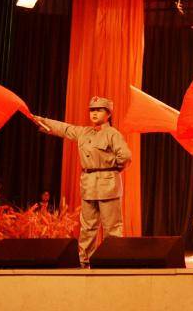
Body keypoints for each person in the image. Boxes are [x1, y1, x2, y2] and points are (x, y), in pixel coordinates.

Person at [35, 96, 131, 267]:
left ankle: (113, 263)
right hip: (89, 185)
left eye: (99, 110)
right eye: (92, 110)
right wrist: (40, 121)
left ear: (108, 114)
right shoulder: (84, 132)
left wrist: (110, 169)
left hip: (108, 185)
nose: (94, 113)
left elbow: (125, 157)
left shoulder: (113, 134)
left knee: (112, 229)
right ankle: (85, 263)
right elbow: (64, 128)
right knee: (87, 228)